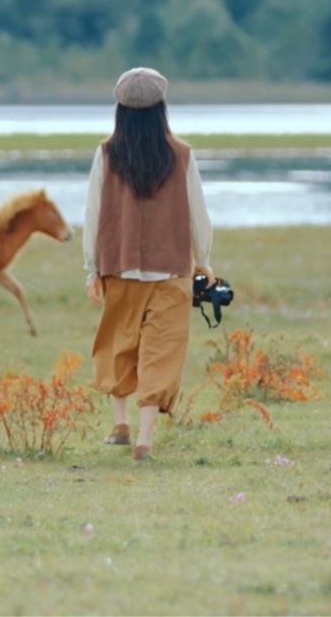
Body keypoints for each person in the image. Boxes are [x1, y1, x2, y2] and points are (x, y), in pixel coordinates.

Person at [83, 66, 213, 461]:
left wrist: (92, 268)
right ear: (162, 108)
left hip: (119, 267)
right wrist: (203, 260)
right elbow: (198, 214)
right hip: (171, 269)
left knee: (119, 345)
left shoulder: (106, 153)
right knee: (162, 352)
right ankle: (144, 441)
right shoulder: (182, 154)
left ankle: (120, 424)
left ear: (119, 109)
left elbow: (92, 213)